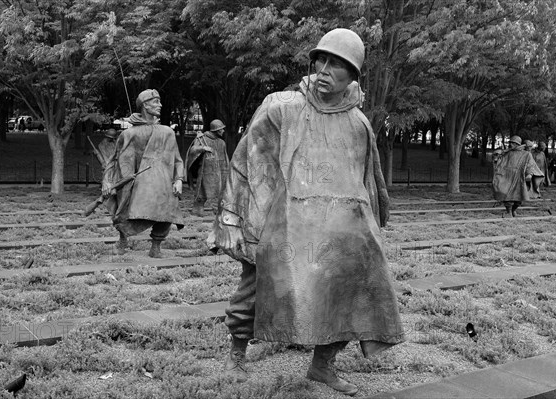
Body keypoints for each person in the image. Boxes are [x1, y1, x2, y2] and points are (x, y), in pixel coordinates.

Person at [208, 28, 405, 395]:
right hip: (283, 224)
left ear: (353, 75)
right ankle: (236, 352)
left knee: (346, 293)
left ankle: (323, 365)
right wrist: (242, 221)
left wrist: (368, 233)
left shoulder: (359, 123)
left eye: (338, 65)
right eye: (322, 60)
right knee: (256, 289)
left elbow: (366, 180)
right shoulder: (281, 106)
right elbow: (250, 163)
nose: (326, 70)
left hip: (338, 231)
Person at [102, 89, 185, 258]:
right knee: (124, 208)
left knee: (166, 213)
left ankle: (156, 247)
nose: (160, 105)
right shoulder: (129, 134)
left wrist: (179, 179)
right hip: (137, 182)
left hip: (163, 182)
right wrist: (107, 181)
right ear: (145, 105)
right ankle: (122, 241)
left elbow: (177, 158)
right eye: (156, 102)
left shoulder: (167, 132)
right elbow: (114, 160)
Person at [184, 119, 229, 214]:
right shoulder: (202, 139)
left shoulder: (222, 142)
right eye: (222, 129)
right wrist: (202, 148)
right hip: (206, 168)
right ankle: (197, 208)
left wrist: (226, 169)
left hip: (220, 169)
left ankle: (218, 209)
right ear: (217, 130)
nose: (223, 131)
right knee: (202, 190)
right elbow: (193, 150)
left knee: (221, 191)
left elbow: (225, 157)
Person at [493, 135, 544, 217]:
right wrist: (498, 154)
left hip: (519, 177)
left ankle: (514, 211)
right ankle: (508, 212)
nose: (510, 144)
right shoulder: (507, 153)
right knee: (507, 196)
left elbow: (530, 165)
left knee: (519, 197)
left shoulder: (526, 154)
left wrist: (529, 174)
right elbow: (498, 159)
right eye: (510, 143)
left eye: (512, 143)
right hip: (508, 177)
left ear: (517, 144)